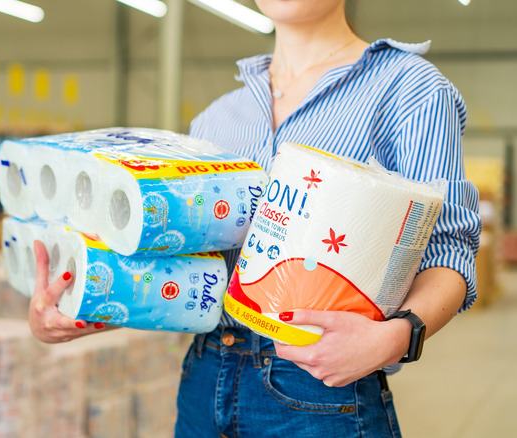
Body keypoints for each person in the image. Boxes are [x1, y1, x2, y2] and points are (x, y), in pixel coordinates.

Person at [28, 0, 481, 436]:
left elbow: (448, 250)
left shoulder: (410, 89)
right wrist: (84, 304)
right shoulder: (217, 118)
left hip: (316, 385)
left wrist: (395, 338)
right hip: (204, 376)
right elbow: (190, 266)